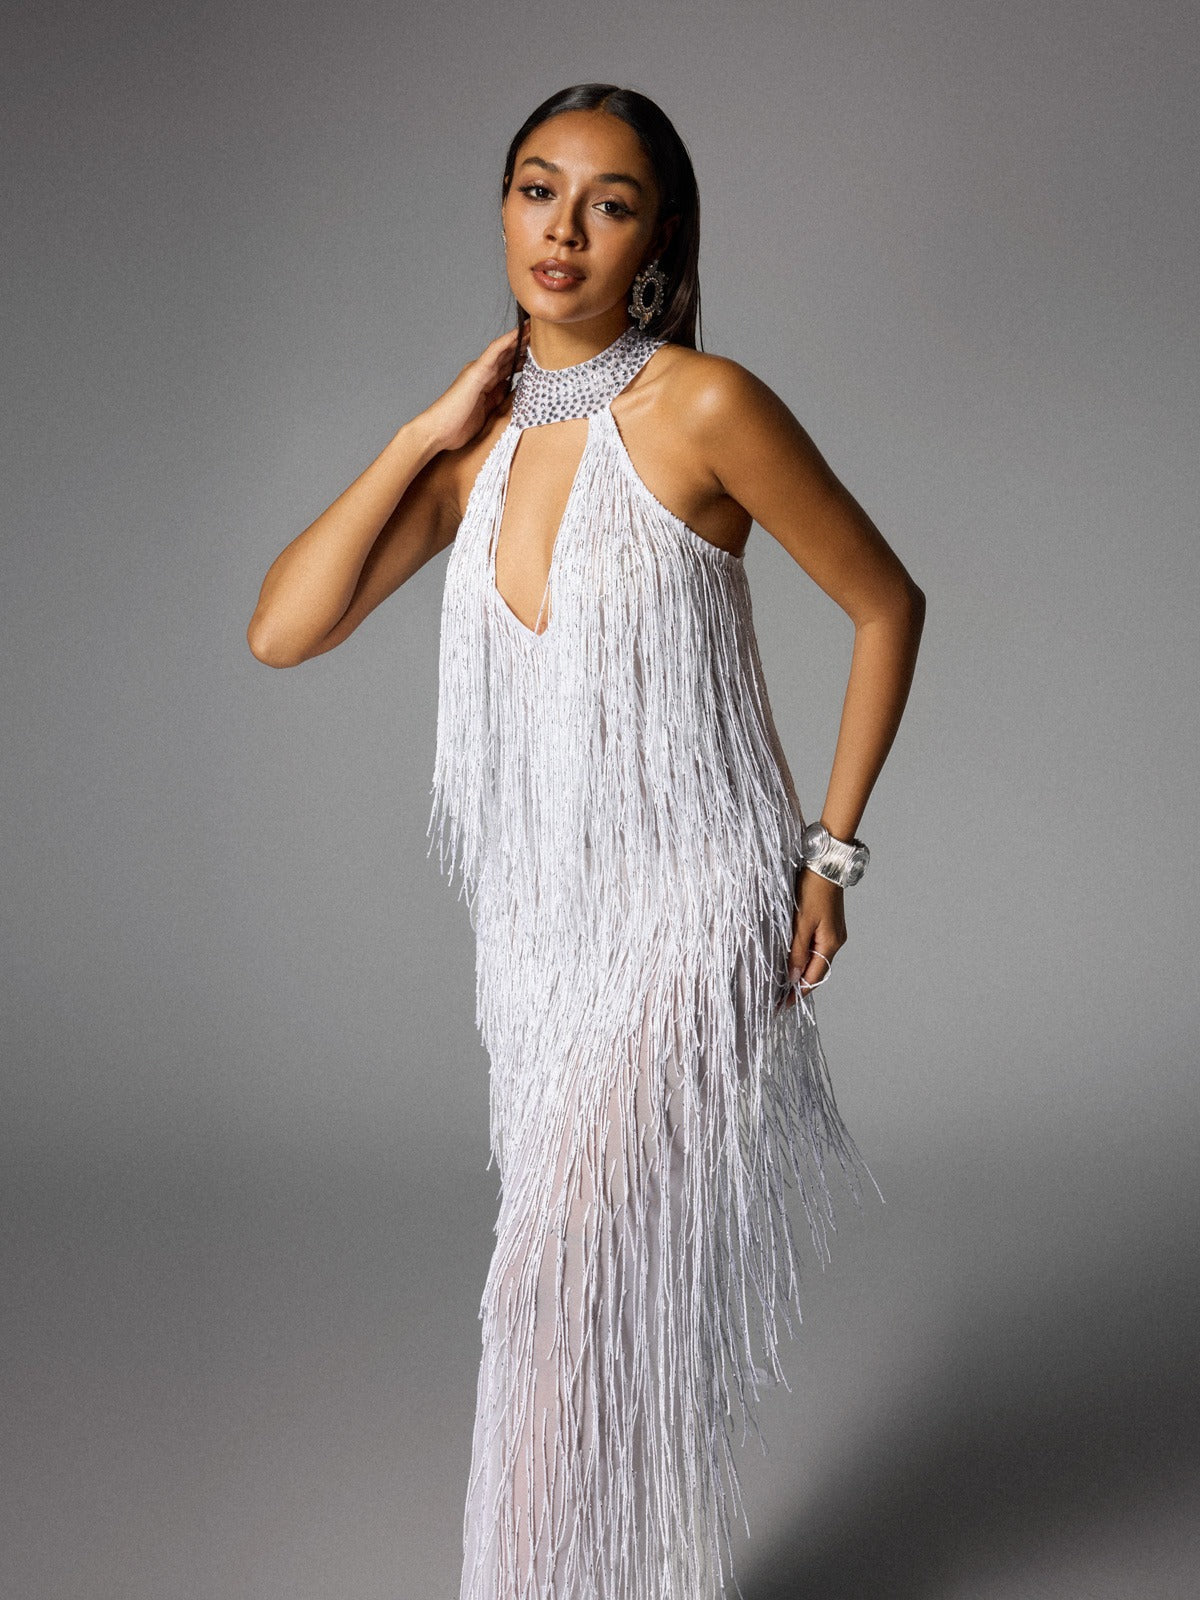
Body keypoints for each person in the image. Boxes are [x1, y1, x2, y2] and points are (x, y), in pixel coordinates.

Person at [248, 81, 924, 1600]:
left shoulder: (705, 406)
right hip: (539, 945)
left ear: (657, 240)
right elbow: (284, 631)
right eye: (537, 189)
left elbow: (888, 603)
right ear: (502, 210)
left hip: (697, 908)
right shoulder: (472, 457)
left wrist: (830, 857)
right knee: (583, 1312)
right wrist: (422, 431)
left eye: (609, 204)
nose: (564, 229)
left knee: (554, 1294)